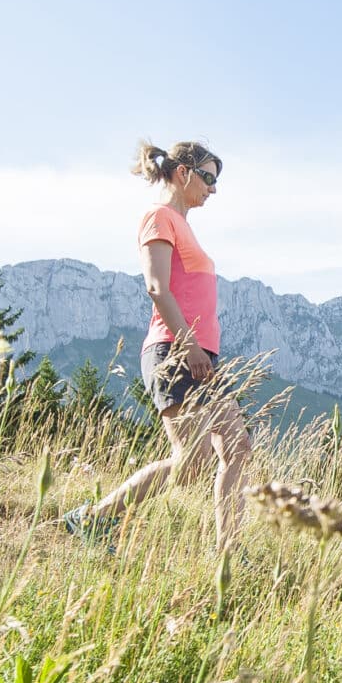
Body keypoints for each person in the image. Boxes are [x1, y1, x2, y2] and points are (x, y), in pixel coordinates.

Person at [62, 139, 251, 550]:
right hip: (175, 351)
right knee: (193, 461)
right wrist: (189, 347)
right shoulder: (158, 217)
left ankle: (230, 553)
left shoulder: (183, 224)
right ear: (183, 173)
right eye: (208, 179)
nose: (212, 190)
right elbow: (156, 287)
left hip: (200, 355)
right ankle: (92, 518)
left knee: (238, 446)